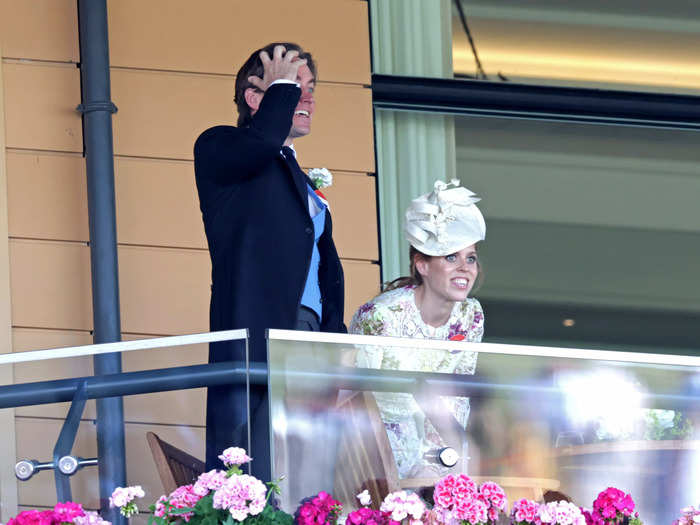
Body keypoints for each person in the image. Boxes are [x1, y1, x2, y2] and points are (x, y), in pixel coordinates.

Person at [194, 43, 345, 478]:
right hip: (267, 332)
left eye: (310, 88)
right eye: (295, 87)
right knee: (265, 463)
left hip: (312, 336)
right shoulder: (220, 146)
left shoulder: (290, 170)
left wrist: (338, 342)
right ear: (256, 97)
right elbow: (258, 143)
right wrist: (282, 88)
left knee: (311, 467)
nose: (309, 99)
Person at [349, 179, 485, 478]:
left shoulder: (470, 315)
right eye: (451, 257)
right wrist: (389, 476)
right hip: (374, 455)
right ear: (422, 264)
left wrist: (450, 463)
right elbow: (354, 399)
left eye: (471, 258)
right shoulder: (381, 316)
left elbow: (457, 396)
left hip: (438, 452)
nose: (465, 268)